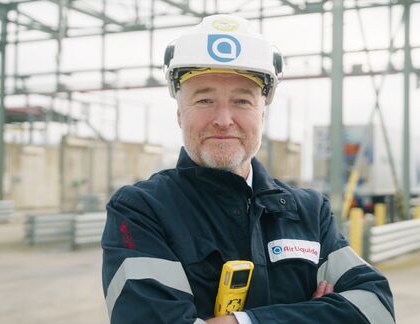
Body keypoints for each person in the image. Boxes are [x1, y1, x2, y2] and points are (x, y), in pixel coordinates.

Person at [101, 14, 395, 324]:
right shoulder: (142, 211)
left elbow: (376, 308)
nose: (224, 119)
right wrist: (316, 314)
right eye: (204, 100)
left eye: (242, 101)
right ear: (179, 115)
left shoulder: (310, 212)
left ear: (262, 114)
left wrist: (239, 321)